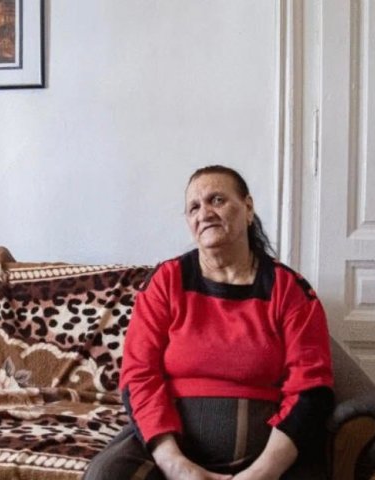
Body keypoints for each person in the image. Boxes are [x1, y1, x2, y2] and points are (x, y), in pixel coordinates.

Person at [84, 165, 334, 480]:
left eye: (217, 200)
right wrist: (176, 465)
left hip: (268, 454)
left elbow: (311, 387)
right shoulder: (167, 281)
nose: (204, 213)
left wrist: (261, 473)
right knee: (107, 475)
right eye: (194, 207)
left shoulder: (289, 288)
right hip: (172, 445)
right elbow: (138, 376)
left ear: (248, 208)